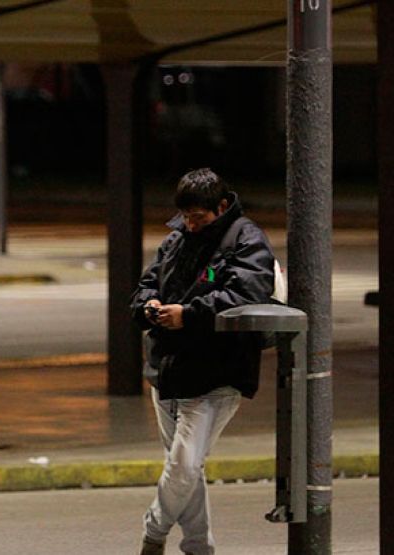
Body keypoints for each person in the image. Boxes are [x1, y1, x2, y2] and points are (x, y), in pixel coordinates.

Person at [131, 168, 276, 555]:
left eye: (198, 217)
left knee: (184, 465)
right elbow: (147, 285)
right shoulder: (177, 238)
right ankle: (198, 547)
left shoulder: (246, 240)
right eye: (186, 217)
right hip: (167, 368)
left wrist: (188, 314)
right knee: (187, 468)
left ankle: (153, 534)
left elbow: (247, 293)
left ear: (222, 206)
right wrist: (150, 307)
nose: (191, 226)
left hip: (215, 372)